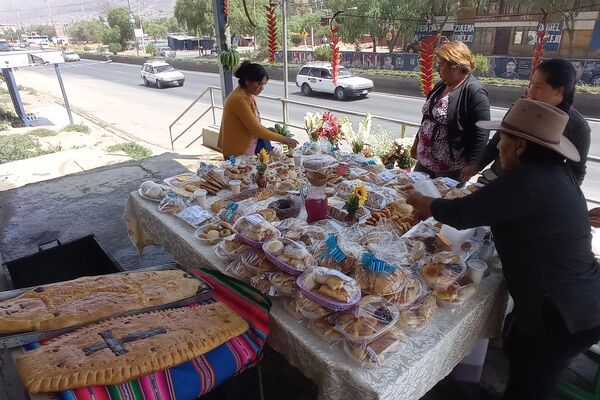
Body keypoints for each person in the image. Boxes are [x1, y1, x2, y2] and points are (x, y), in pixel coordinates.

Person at [407, 98, 600, 400]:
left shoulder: (525, 181)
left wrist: (424, 203)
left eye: (502, 140)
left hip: (562, 312)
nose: (498, 147)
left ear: (519, 146)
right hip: (578, 302)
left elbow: (463, 213)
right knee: (522, 359)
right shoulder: (558, 175)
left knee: (529, 386)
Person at [463, 58, 591, 185]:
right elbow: (496, 142)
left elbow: (576, 172)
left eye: (539, 87)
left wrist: (559, 198)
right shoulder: (521, 108)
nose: (531, 92)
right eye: (531, 84)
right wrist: (476, 166)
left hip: (532, 193)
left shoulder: (578, 126)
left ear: (559, 91)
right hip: (495, 181)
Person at [410, 41, 491, 182]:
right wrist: (416, 142)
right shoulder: (441, 85)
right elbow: (427, 118)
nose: (437, 69)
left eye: (440, 65)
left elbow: (482, 131)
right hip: (424, 160)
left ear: (455, 66)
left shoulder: (474, 91)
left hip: (450, 167)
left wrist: (473, 163)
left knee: (441, 201)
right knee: (413, 196)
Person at [218, 61, 298, 158]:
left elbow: (255, 125)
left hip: (249, 149)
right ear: (248, 81)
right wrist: (283, 139)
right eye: (260, 84)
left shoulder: (248, 96)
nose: (262, 88)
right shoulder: (239, 99)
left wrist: (274, 135)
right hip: (237, 153)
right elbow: (255, 129)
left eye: (264, 85)